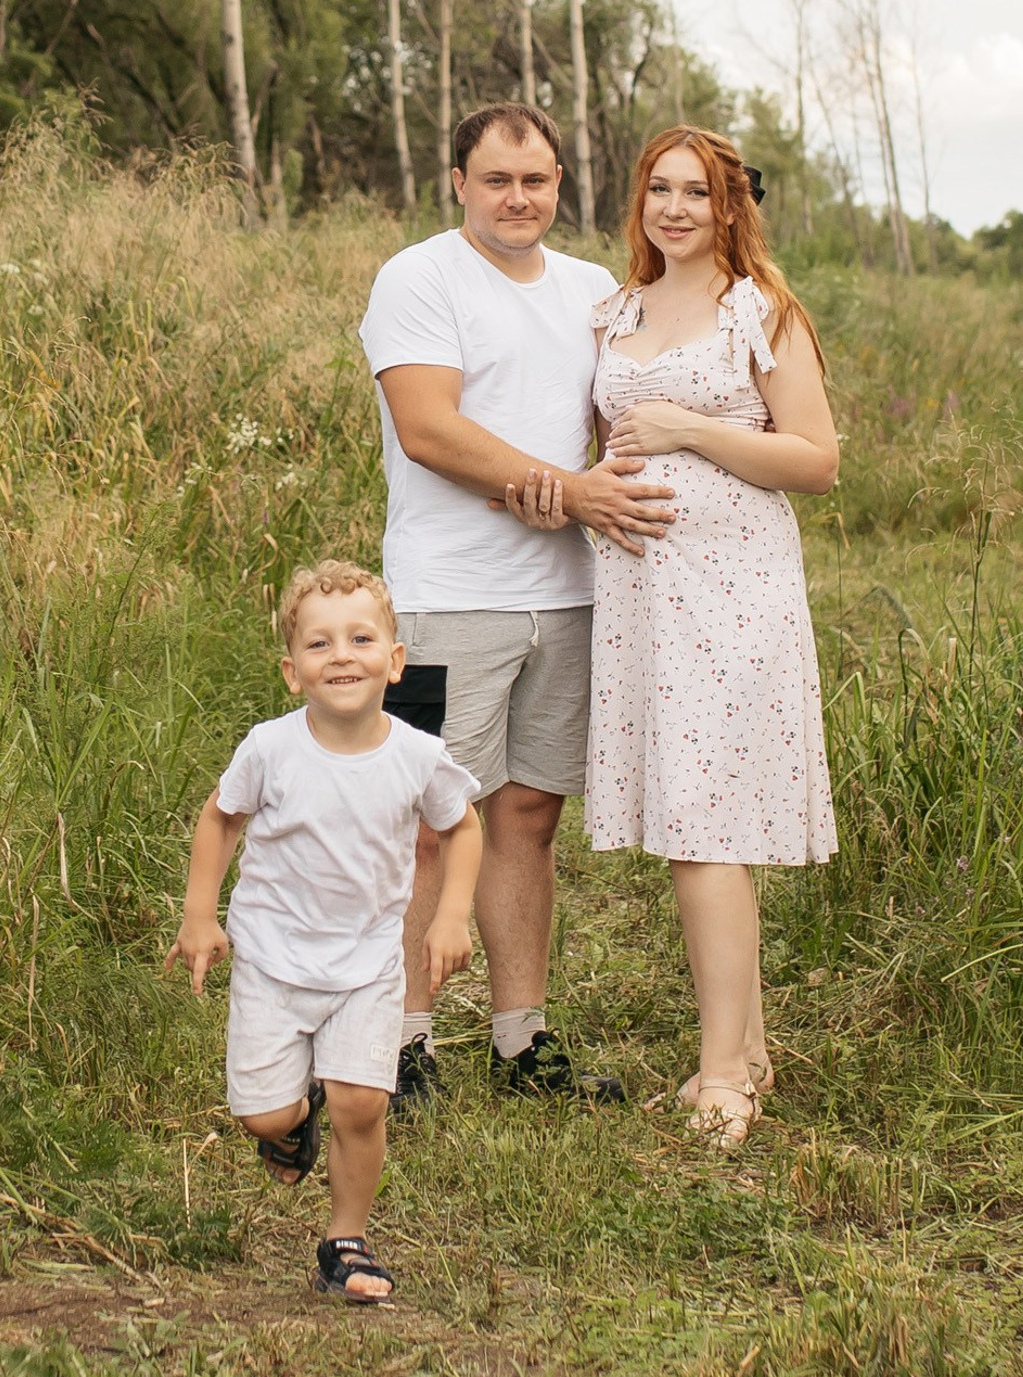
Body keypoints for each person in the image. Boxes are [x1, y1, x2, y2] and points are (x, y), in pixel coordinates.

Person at [507, 124, 840, 1148]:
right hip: (643, 597)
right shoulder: (617, 310)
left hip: (733, 588)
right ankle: (749, 1050)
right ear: (638, 201)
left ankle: (721, 1079)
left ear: (729, 204)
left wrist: (691, 428)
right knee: (693, 819)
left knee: (705, 828)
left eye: (697, 191)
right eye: (660, 189)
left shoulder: (761, 311)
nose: (676, 208)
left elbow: (818, 459)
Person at [358, 100, 671, 1107]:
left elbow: (633, 409)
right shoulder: (419, 276)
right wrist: (566, 488)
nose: (517, 198)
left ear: (559, 185)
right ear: (458, 182)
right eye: (496, 179)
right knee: (425, 823)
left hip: (567, 594)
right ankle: (401, 1042)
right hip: (449, 596)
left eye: (536, 180)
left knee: (527, 816)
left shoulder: (589, 290)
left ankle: (519, 1041)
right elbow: (428, 430)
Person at [170, 560, 482, 1304]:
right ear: (292, 671)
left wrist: (450, 914)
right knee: (263, 1112)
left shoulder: (416, 755)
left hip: (369, 962)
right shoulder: (271, 749)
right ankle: (289, 1124)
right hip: (274, 961)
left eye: (361, 638)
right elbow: (220, 818)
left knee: (362, 1104)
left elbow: (462, 826)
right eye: (319, 644)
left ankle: (346, 1239)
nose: (341, 655)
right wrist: (199, 913)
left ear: (395, 662)